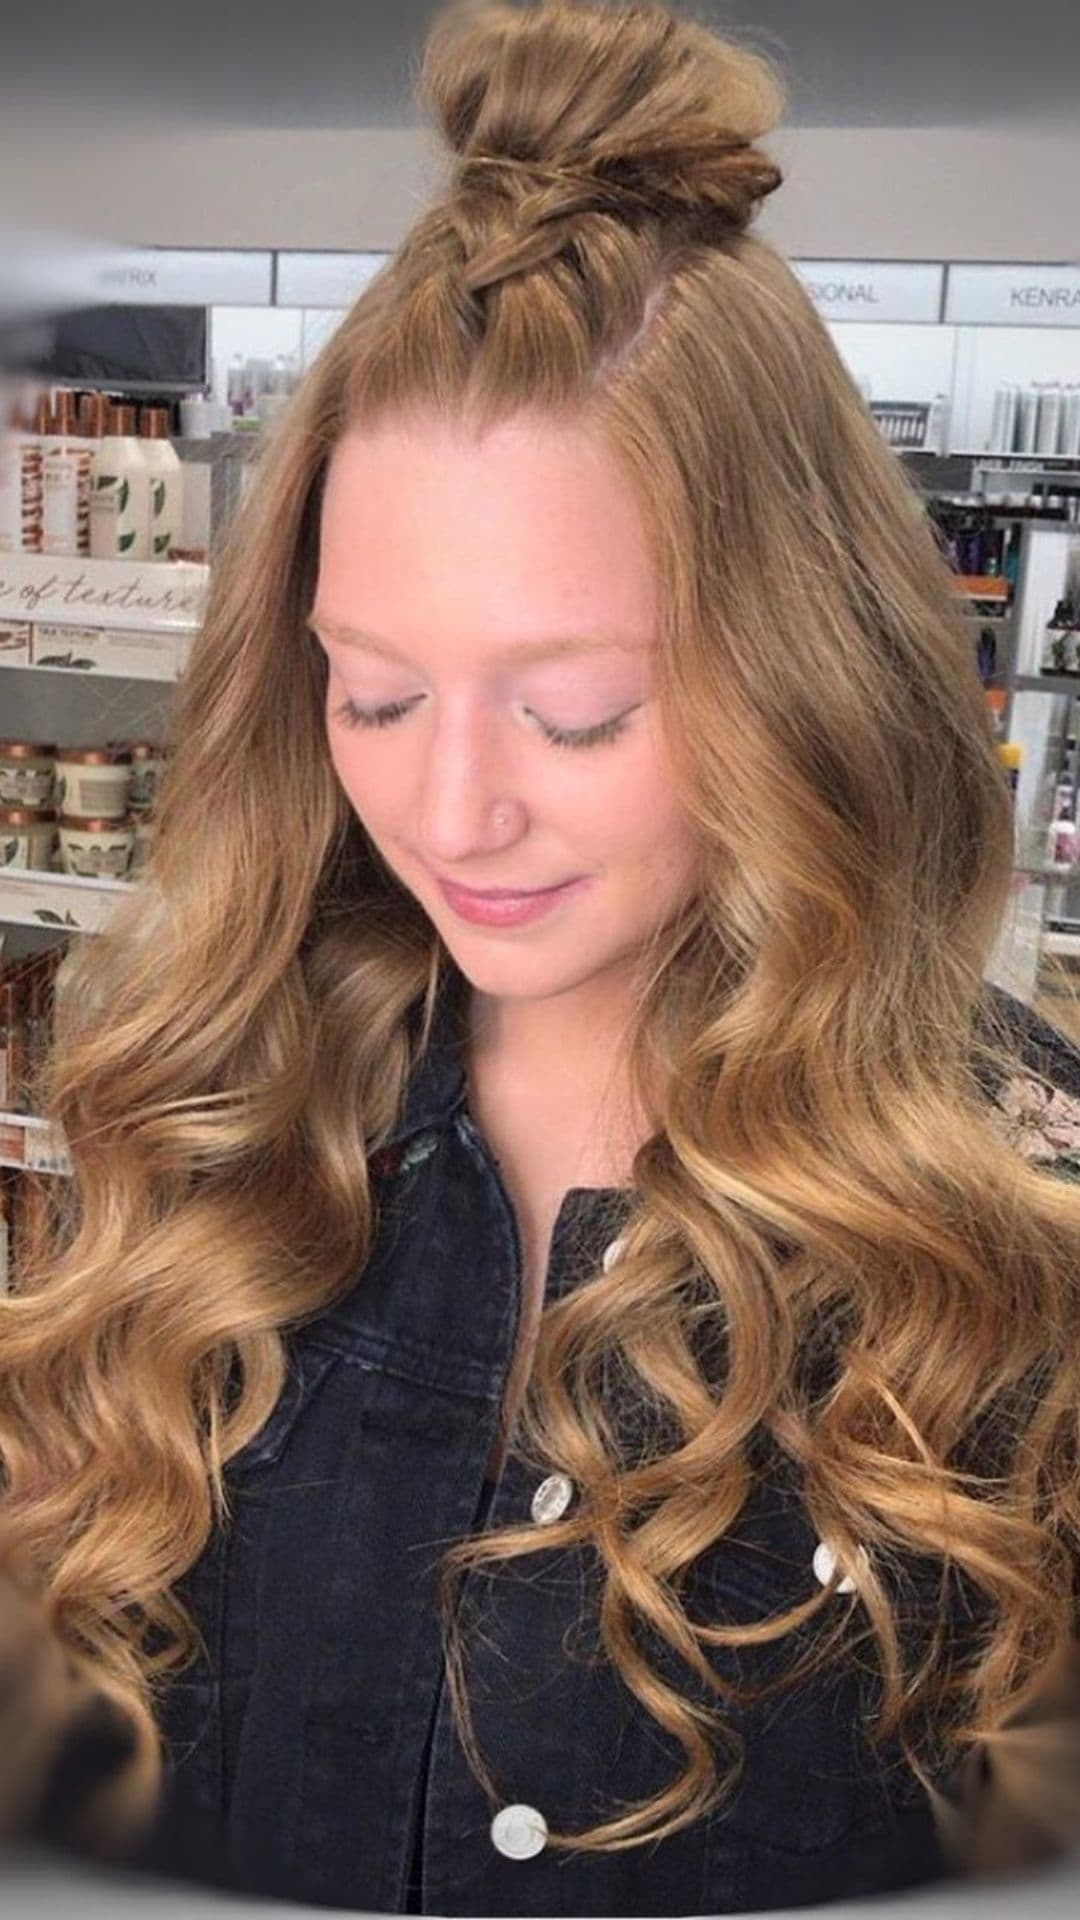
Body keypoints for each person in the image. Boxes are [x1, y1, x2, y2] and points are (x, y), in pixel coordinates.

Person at [2, 1, 1080, 1912]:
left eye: (576, 712)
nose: (454, 812)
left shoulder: (1015, 1239)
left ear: (805, 682)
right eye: (379, 692)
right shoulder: (218, 1131)